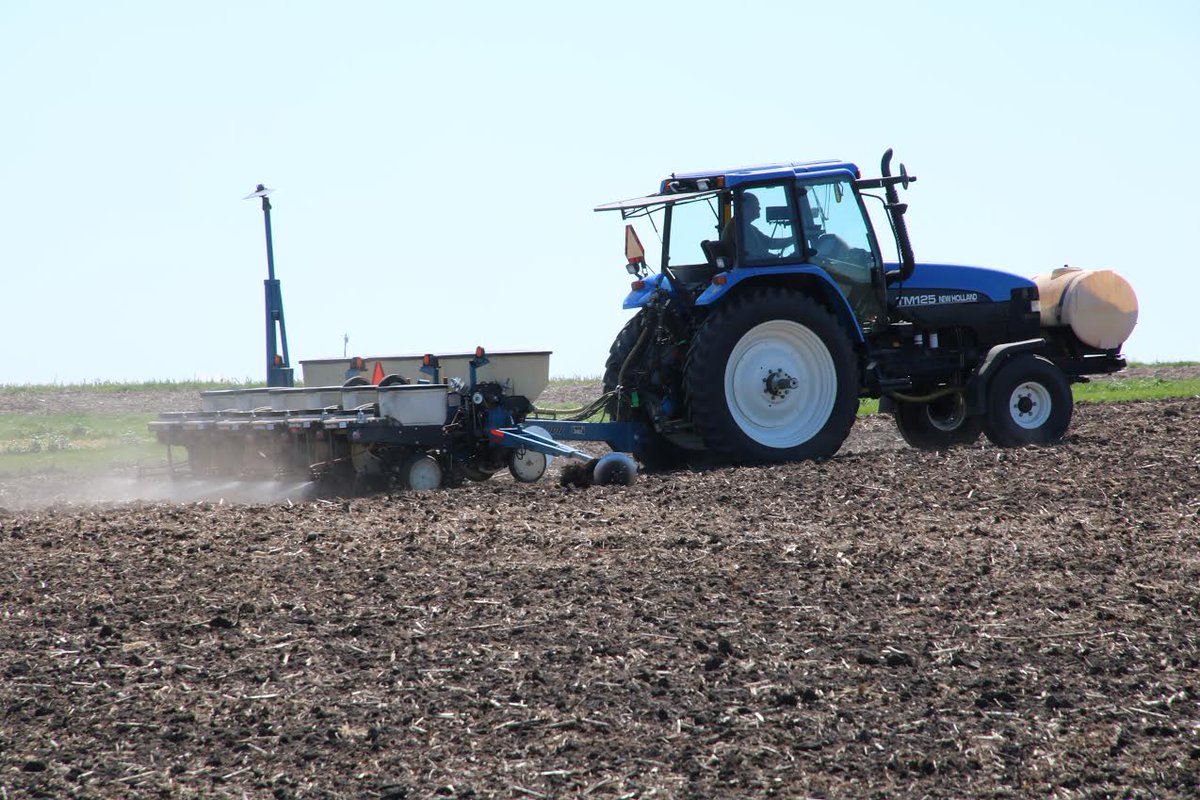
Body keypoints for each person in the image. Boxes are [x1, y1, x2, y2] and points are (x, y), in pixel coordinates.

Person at [720, 192, 794, 260]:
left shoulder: (746, 226)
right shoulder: (739, 228)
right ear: (745, 207)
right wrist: (775, 258)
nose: (759, 208)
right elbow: (752, 256)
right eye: (756, 205)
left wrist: (794, 239)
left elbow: (769, 243)